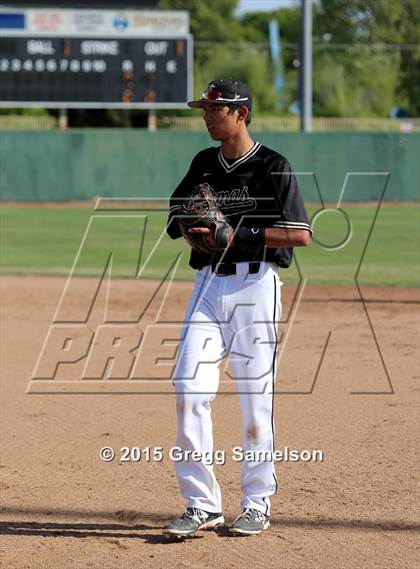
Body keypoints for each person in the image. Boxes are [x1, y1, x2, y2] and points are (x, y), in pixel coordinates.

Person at [163, 78, 312, 537]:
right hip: (208, 284)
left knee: (253, 400)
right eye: (204, 109)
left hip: (255, 285)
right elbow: (175, 212)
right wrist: (190, 226)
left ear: (241, 113)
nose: (207, 116)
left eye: (215, 109)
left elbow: (300, 234)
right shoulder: (204, 163)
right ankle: (202, 503)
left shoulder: (272, 165)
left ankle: (256, 502)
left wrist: (238, 235)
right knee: (188, 386)